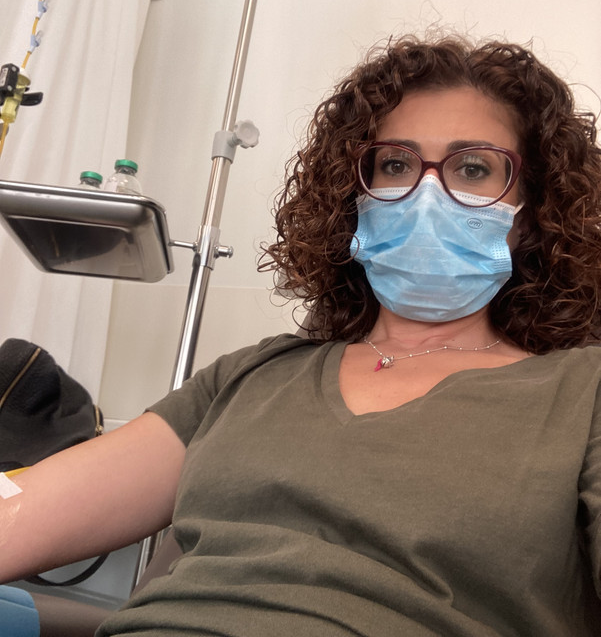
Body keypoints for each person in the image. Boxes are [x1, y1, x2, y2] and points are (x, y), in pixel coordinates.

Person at [2, 33, 601, 636]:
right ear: (356, 196)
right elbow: (23, 513)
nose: (425, 194)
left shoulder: (580, 394)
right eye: (395, 165)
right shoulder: (251, 377)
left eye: (473, 168)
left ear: (531, 216)